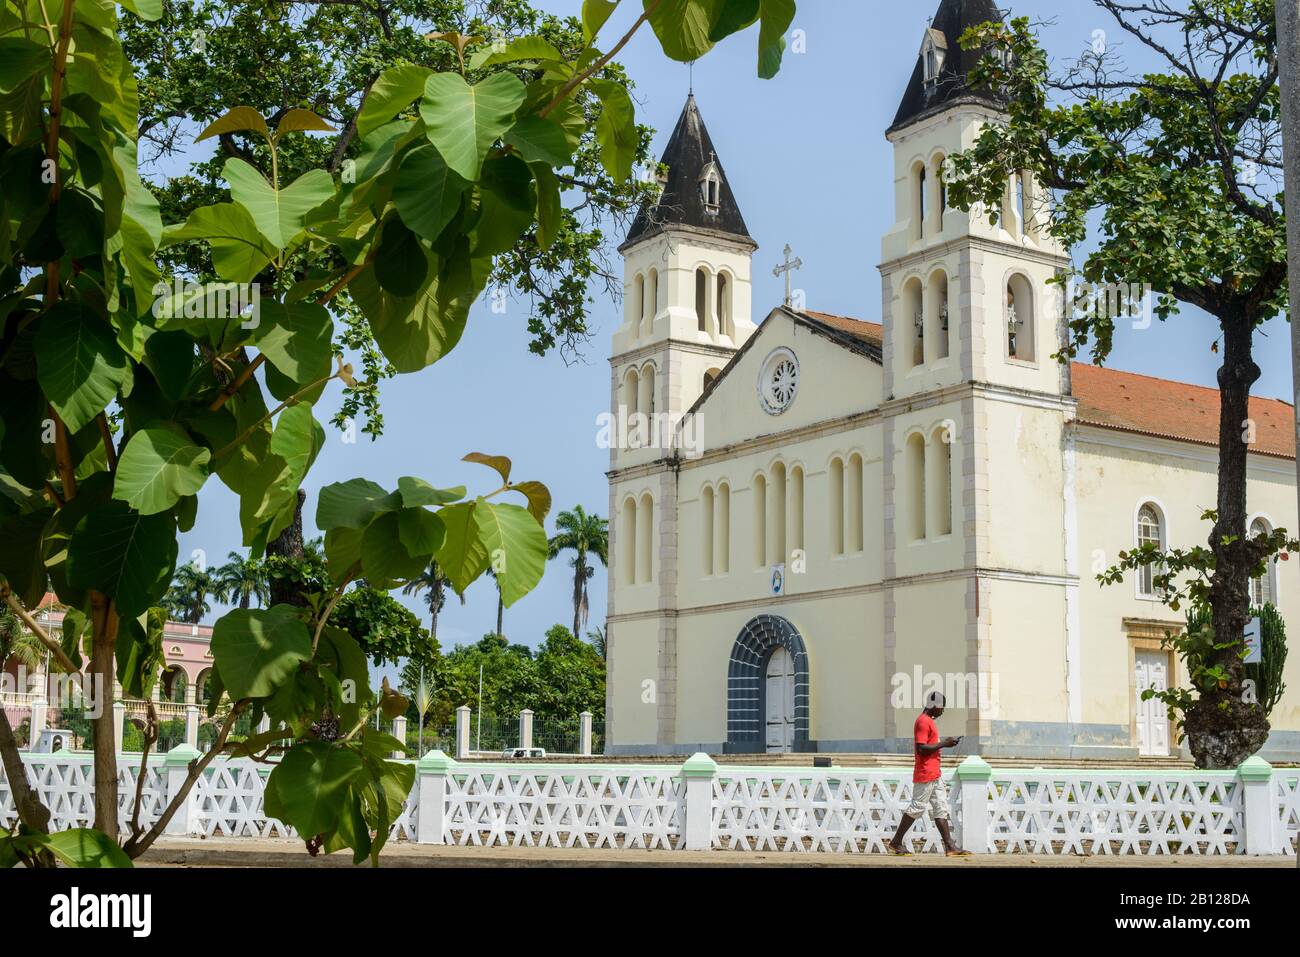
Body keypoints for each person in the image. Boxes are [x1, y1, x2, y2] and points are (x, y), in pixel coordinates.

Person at [886, 690, 971, 857]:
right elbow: (921, 748)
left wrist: (943, 744)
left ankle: (950, 847)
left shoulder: (927, 721)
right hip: (925, 773)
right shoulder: (923, 722)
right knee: (917, 807)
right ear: (935, 705)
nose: (943, 711)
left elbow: (927, 746)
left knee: (941, 808)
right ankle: (896, 842)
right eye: (942, 708)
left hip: (934, 773)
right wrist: (944, 744)